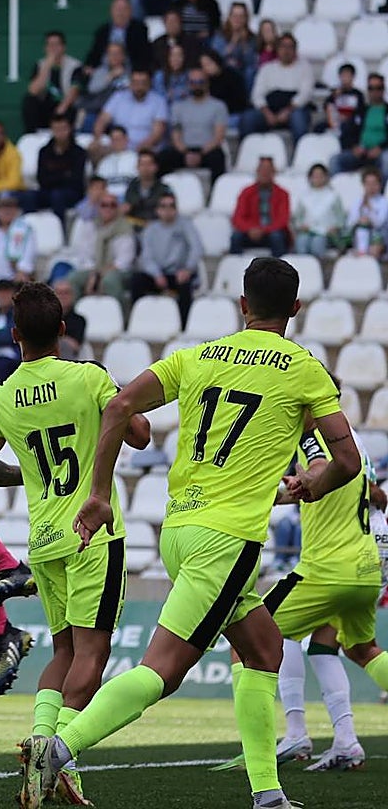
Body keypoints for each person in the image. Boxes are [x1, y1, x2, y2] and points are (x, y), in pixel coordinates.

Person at [22, 256, 362, 809]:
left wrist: (101, 493)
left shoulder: (197, 356)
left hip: (180, 531)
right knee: (164, 669)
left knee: (264, 649)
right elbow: (346, 459)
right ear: (295, 310)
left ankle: (268, 794)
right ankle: (59, 748)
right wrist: (315, 485)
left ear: (242, 305)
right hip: (226, 542)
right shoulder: (304, 370)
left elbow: (119, 406)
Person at [0, 283, 150, 805]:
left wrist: (23, 477)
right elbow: (139, 434)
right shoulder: (88, 376)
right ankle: (58, 756)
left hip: (44, 540)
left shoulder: (2, 395)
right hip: (94, 535)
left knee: (63, 651)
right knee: (94, 653)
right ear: (64, 330)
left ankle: (40, 745)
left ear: (15, 334)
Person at [220, 419, 388, 775]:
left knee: (245, 639)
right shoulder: (352, 439)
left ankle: (278, 739)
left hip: (326, 569)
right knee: (353, 649)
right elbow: (378, 496)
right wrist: (286, 493)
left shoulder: (314, 434)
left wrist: (296, 484)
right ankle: (345, 742)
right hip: (365, 567)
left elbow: (320, 470)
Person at [131, 192, 203, 328]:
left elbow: (197, 248)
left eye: (171, 206)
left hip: (180, 272)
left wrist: (188, 268)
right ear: (157, 210)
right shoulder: (150, 230)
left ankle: (184, 325)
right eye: (163, 206)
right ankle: (137, 321)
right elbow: (146, 257)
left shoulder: (186, 225)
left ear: (176, 209)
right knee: (137, 281)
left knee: (185, 285)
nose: (167, 209)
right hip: (158, 274)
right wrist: (156, 274)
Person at [158, 67, 228, 181]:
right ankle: (163, 194)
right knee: (163, 157)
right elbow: (176, 135)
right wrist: (186, 153)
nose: (197, 85)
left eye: (200, 82)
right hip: (184, 149)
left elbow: (219, 137)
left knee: (218, 158)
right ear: (188, 84)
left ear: (207, 83)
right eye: (193, 82)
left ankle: (215, 195)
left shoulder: (218, 106)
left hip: (207, 150)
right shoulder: (178, 107)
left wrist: (199, 154)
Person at [240, 33, 313, 141]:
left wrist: (288, 111)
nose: (286, 50)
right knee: (248, 118)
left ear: (295, 50)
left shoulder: (305, 68)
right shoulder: (267, 68)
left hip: (294, 110)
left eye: (290, 47)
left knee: (299, 119)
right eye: (283, 46)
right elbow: (257, 94)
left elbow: (305, 94)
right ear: (277, 49)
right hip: (269, 110)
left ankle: (301, 156)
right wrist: (267, 113)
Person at [67, 192, 134, 303]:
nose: (108, 208)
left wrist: (98, 276)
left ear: (117, 208)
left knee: (110, 280)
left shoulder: (124, 228)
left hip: (119, 272)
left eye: (112, 205)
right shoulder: (91, 226)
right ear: (98, 207)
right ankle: (73, 316)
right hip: (94, 269)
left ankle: (120, 316)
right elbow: (85, 255)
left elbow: (123, 262)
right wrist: (94, 274)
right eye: (104, 205)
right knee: (73, 278)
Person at [92, 70, 168, 158]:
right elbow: (101, 121)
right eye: (136, 82)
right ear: (130, 83)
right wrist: (98, 139)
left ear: (149, 84)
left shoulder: (158, 101)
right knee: (94, 148)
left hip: (144, 148)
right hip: (116, 145)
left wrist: (138, 149)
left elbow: (157, 133)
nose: (139, 86)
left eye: (143, 82)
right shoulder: (118, 97)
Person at [23, 30, 81, 134]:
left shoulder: (75, 66)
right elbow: (33, 90)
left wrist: (61, 109)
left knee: (71, 108)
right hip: (46, 106)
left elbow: (74, 90)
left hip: (65, 105)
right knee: (29, 101)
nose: (53, 48)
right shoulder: (40, 64)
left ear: (63, 47)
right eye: (50, 45)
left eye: (56, 45)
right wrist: (47, 65)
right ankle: (32, 134)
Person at [331, 72, 388, 177]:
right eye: (371, 88)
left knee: (386, 159)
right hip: (361, 152)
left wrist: (380, 148)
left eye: (378, 88)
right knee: (335, 160)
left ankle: (381, 192)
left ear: (383, 90)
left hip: (381, 152)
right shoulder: (361, 110)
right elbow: (348, 131)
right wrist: (354, 146)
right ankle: (335, 192)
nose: (375, 91)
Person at [231, 157, 291, 256]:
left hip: (271, 231)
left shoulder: (282, 194)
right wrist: (250, 229)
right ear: (257, 171)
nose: (265, 173)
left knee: (277, 237)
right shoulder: (246, 192)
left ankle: (279, 268)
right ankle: (235, 267)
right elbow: (238, 217)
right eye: (262, 170)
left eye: (268, 170)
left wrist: (263, 230)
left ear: (273, 173)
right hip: (250, 232)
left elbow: (283, 219)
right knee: (236, 237)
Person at [32, 114, 86, 216]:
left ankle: (60, 229)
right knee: (29, 196)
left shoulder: (78, 152)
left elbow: (76, 180)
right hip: (48, 191)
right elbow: (41, 179)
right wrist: (64, 175)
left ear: (70, 129)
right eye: (56, 129)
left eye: (63, 129)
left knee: (57, 196)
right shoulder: (44, 151)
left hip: (72, 193)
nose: (60, 133)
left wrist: (53, 177)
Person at [84, 0, 152, 73]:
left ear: (130, 11)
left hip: (130, 70)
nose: (120, 13)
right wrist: (89, 66)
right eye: (117, 9)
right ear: (111, 11)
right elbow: (94, 53)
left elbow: (143, 55)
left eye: (124, 9)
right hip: (104, 70)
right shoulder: (103, 31)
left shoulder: (139, 30)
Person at [291, 164, 345, 259]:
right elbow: (297, 218)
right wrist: (301, 226)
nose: (318, 179)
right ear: (310, 178)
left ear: (326, 177)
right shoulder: (304, 196)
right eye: (315, 176)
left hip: (326, 233)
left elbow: (341, 218)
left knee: (317, 243)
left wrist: (335, 227)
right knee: (301, 242)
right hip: (307, 231)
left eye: (320, 176)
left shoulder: (333, 196)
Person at [121, 149, 171, 230]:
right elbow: (128, 206)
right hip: (134, 227)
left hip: (157, 227)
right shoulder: (132, 187)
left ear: (155, 167)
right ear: (137, 167)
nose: (145, 168)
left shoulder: (164, 189)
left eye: (149, 164)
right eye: (142, 164)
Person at [344, 168, 388, 258]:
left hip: (380, 235)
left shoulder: (384, 202)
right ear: (363, 185)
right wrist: (359, 219)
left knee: (374, 246)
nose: (371, 187)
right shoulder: (357, 202)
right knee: (361, 228)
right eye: (368, 184)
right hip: (359, 234)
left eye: (374, 183)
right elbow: (349, 223)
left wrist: (370, 210)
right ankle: (361, 252)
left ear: (379, 185)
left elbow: (380, 223)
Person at [52, 278, 86, 360]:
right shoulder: (44, 318)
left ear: (72, 295)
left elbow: (75, 346)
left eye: (66, 292)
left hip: (67, 361)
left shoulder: (79, 320)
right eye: (59, 293)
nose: (63, 296)